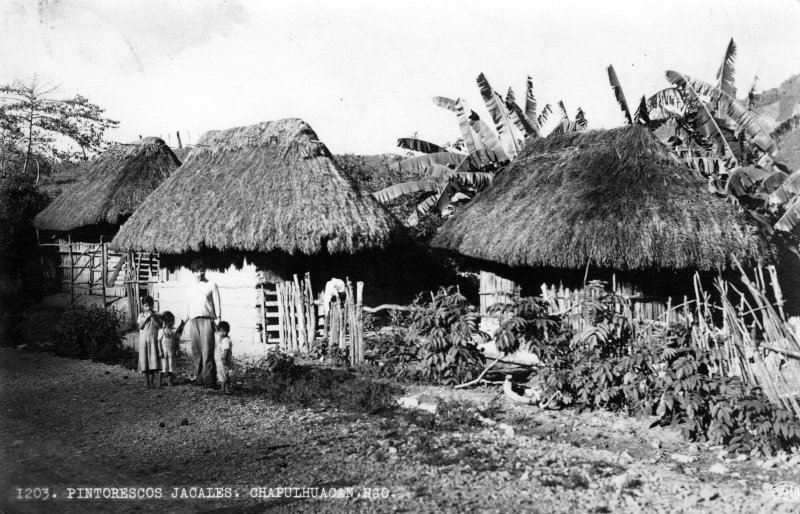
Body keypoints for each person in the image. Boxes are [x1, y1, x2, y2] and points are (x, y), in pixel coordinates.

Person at [178, 259, 221, 387]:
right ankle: (200, 379)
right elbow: (187, 306)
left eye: (202, 270)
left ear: (205, 271)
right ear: (193, 272)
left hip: (207, 321)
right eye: (196, 271)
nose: (199, 273)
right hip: (193, 321)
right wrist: (182, 324)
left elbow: (217, 305)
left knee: (207, 351)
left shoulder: (211, 285)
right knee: (197, 352)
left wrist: (218, 321)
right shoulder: (191, 287)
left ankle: (210, 381)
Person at [137, 296, 161, 389]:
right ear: (143, 306)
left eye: (150, 305)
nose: (148, 308)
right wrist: (147, 317)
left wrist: (152, 318)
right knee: (144, 360)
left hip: (152, 341)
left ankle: (152, 381)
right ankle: (146, 381)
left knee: (153, 360)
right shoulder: (141, 315)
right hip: (143, 342)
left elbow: (158, 326)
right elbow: (140, 326)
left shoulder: (156, 315)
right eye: (146, 306)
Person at [157, 311, 179, 387]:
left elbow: (176, 341)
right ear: (165, 321)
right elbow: (159, 341)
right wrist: (160, 351)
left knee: (170, 367)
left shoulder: (174, 331)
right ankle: (159, 382)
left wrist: (177, 350)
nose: (172, 323)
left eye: (173, 321)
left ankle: (169, 381)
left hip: (171, 352)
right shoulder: (161, 331)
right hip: (164, 352)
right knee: (162, 367)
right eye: (170, 321)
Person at [215, 321, 233, 394]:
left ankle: (223, 388)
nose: (221, 333)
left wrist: (224, 358)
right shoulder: (221, 339)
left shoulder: (226, 340)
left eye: (224, 331)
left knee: (224, 373)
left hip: (224, 359)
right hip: (221, 359)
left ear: (227, 331)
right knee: (224, 373)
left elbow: (226, 350)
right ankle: (227, 388)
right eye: (220, 331)